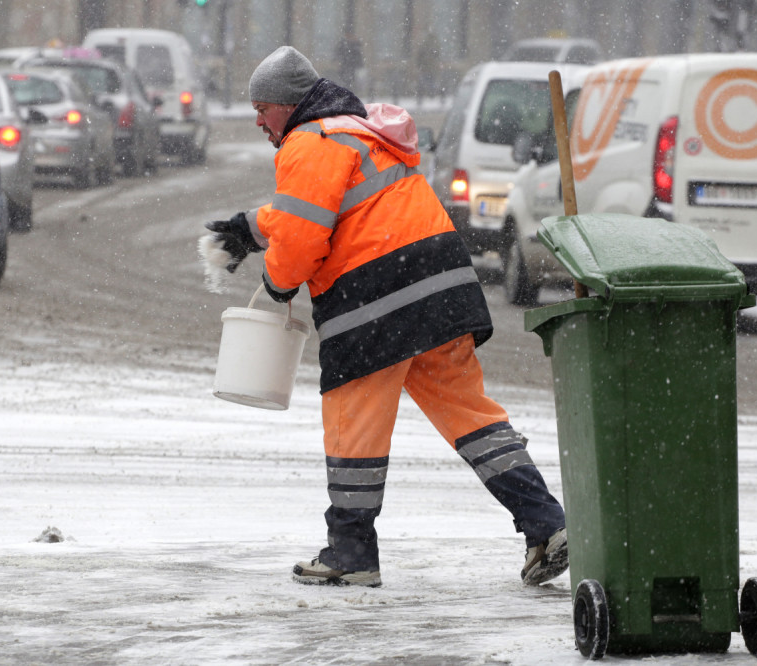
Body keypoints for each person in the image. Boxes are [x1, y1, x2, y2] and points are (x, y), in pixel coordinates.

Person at [201, 46, 567, 588]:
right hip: (440, 293)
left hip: (376, 305)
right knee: (473, 418)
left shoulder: (310, 141)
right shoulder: (357, 134)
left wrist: (276, 286)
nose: (258, 119)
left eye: (263, 108)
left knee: (354, 429)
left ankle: (351, 555)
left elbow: (303, 235)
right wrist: (248, 228)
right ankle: (547, 523)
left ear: (289, 105)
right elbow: (326, 207)